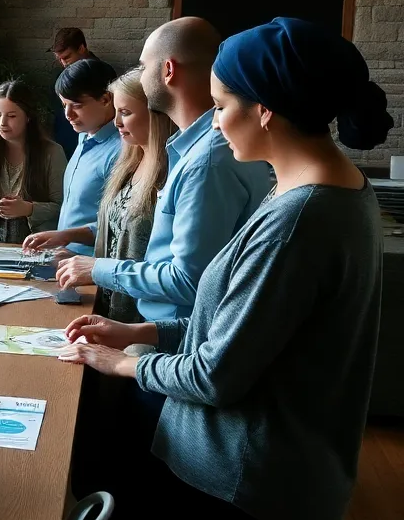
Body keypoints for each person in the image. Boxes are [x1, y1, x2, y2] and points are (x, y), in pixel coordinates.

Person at [59, 17, 392, 520]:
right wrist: (140, 329)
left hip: (241, 484)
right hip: (247, 473)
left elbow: (217, 374)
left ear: (263, 109)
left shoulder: (300, 220)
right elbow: (240, 325)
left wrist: (122, 362)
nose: (213, 125)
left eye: (220, 106)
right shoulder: (321, 192)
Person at [55, 17, 271, 323]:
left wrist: (97, 268)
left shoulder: (206, 162)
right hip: (156, 330)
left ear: (168, 70)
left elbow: (188, 281)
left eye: (143, 67)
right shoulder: (189, 151)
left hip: (173, 340)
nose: (139, 77)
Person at [26, 68, 175, 322]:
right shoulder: (108, 147)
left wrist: (89, 261)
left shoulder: (143, 158)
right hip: (94, 277)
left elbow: (164, 263)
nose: (118, 122)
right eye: (63, 105)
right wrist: (68, 241)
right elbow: (112, 225)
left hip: (124, 294)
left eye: (125, 112)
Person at [0, 80, 67, 244]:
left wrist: (28, 208)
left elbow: (61, 206)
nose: (2, 123)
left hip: (34, 243)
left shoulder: (52, 152)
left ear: (28, 117)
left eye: (11, 116)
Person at [49, 58, 121, 255]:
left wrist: (68, 238)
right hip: (64, 260)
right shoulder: (84, 136)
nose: (68, 114)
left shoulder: (122, 151)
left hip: (90, 266)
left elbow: (120, 226)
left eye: (76, 105)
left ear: (106, 99)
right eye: (64, 105)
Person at [49, 27, 95, 157]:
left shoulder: (101, 74)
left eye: (67, 57)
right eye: (59, 59)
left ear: (81, 48)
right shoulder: (60, 75)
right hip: (63, 141)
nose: (63, 63)